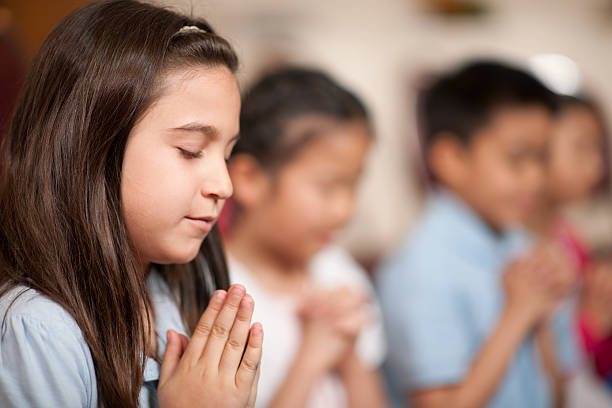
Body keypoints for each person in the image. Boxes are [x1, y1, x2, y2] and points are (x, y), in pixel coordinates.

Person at [0, 1, 262, 407]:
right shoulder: (37, 331)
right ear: (92, 148)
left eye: (226, 154)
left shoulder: (174, 296)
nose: (224, 185)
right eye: (191, 150)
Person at [377, 60, 576, 408]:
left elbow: (557, 393)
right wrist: (519, 314)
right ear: (450, 158)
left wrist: (543, 315)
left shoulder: (526, 246)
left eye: (542, 158)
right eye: (517, 159)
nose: (535, 178)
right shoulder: (420, 269)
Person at [222, 67, 388, 408]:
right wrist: (312, 358)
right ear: (250, 178)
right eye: (328, 187)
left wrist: (350, 356)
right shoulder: (218, 293)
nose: (346, 209)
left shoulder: (338, 271)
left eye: (354, 184)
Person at [527, 94, 612, 389]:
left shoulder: (566, 233)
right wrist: (592, 323)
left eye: (599, 149)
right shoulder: (525, 248)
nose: (597, 165)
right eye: (581, 148)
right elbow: (543, 368)